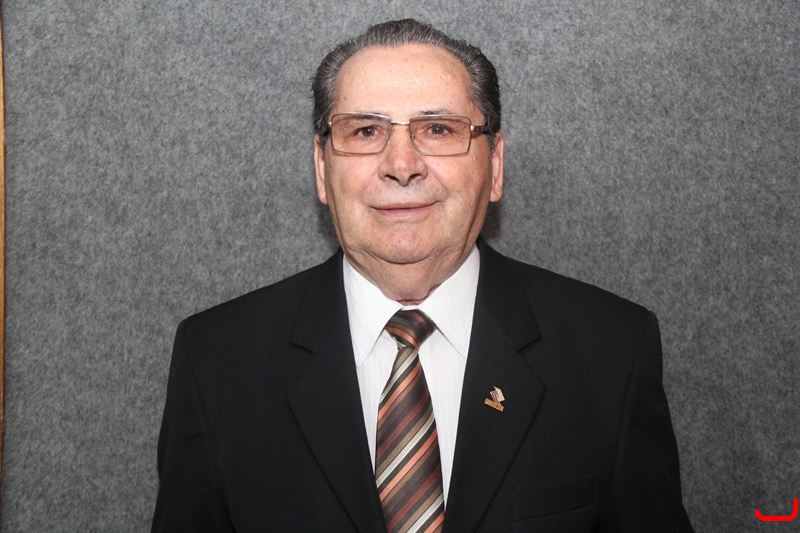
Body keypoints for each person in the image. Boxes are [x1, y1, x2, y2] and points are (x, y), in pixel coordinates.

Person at [152, 18, 694, 532]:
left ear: (495, 165)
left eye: (438, 129)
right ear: (321, 168)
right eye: (366, 130)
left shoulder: (611, 354)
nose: (402, 164)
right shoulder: (216, 362)